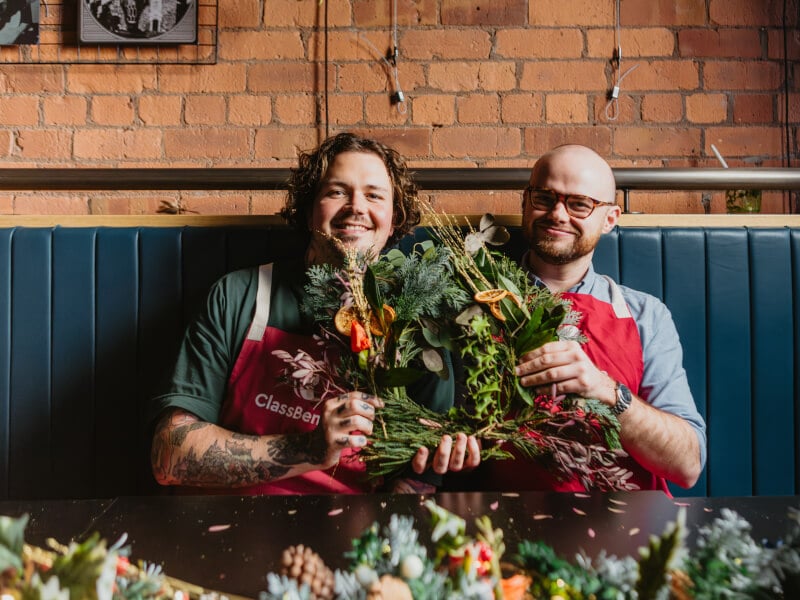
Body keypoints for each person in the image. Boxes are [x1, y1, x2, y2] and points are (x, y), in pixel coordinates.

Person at [150, 132, 478, 495]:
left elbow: (416, 480)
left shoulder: (416, 320)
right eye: (337, 191)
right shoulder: (240, 295)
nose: (356, 207)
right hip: (231, 525)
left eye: (374, 195)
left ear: (394, 218)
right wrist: (310, 449)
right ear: (309, 211)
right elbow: (169, 455)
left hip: (353, 537)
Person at [478, 144, 706, 493]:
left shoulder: (646, 316)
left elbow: (688, 465)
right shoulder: (474, 302)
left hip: (629, 530)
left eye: (579, 204)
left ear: (610, 219)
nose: (558, 214)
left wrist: (606, 390)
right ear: (526, 202)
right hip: (504, 527)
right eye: (544, 198)